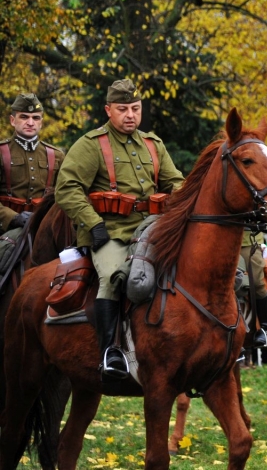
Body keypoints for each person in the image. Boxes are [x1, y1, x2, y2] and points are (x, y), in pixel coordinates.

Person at [55, 79, 184, 380]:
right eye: (123, 109)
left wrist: (183, 200)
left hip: (151, 228)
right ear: (108, 110)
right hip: (109, 231)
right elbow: (67, 188)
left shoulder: (154, 145)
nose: (130, 115)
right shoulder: (91, 145)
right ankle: (110, 352)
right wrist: (93, 223)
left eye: (135, 109)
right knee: (113, 278)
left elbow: (175, 183)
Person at [0, 93, 64, 233]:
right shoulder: (2, 152)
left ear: (41, 122)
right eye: (24, 117)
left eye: (35, 118)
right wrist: (13, 218)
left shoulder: (56, 156)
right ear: (12, 120)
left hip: (46, 228)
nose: (30, 122)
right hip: (6, 228)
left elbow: (65, 195)